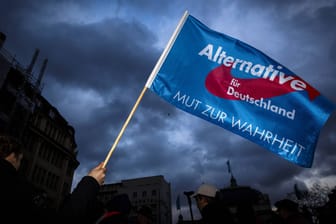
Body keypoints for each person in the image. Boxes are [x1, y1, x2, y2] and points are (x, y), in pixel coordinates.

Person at [0, 133, 107, 224]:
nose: (19, 165)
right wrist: (91, 182)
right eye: (20, 160)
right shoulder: (16, 188)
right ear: (14, 155)